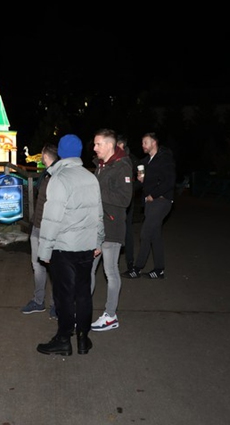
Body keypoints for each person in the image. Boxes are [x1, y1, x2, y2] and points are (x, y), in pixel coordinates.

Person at [36, 134, 104, 356]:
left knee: (64, 296)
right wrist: (98, 241)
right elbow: (99, 214)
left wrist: (44, 250)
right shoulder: (90, 177)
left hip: (63, 248)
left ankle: (64, 339)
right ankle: (84, 339)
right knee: (83, 294)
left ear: (61, 153)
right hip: (86, 246)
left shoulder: (59, 179)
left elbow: (51, 218)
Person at [89, 129, 133, 332]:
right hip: (96, 227)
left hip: (112, 227)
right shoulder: (101, 165)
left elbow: (124, 199)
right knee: (88, 269)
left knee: (110, 271)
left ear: (109, 145)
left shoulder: (122, 166)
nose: (94, 147)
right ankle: (82, 309)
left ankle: (110, 315)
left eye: (98, 144)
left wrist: (95, 188)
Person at [126, 132, 176, 279]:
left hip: (161, 201)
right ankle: (159, 269)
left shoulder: (165, 159)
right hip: (150, 203)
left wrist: (152, 195)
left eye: (145, 142)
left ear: (154, 143)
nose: (143, 146)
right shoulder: (146, 161)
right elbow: (140, 173)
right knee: (155, 236)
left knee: (145, 233)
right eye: (142, 143)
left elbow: (169, 182)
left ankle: (137, 268)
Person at [21, 142, 59, 318]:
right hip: (37, 227)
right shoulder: (46, 174)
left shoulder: (58, 176)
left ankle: (56, 304)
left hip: (49, 229)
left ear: (45, 156)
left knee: (52, 268)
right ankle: (38, 301)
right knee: (37, 265)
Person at [116, 134, 139, 275]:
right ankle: (112, 262)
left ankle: (130, 264)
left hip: (127, 202)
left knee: (127, 232)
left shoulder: (132, 161)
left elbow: (141, 181)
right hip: (114, 201)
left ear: (122, 146)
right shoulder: (114, 159)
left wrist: (129, 188)